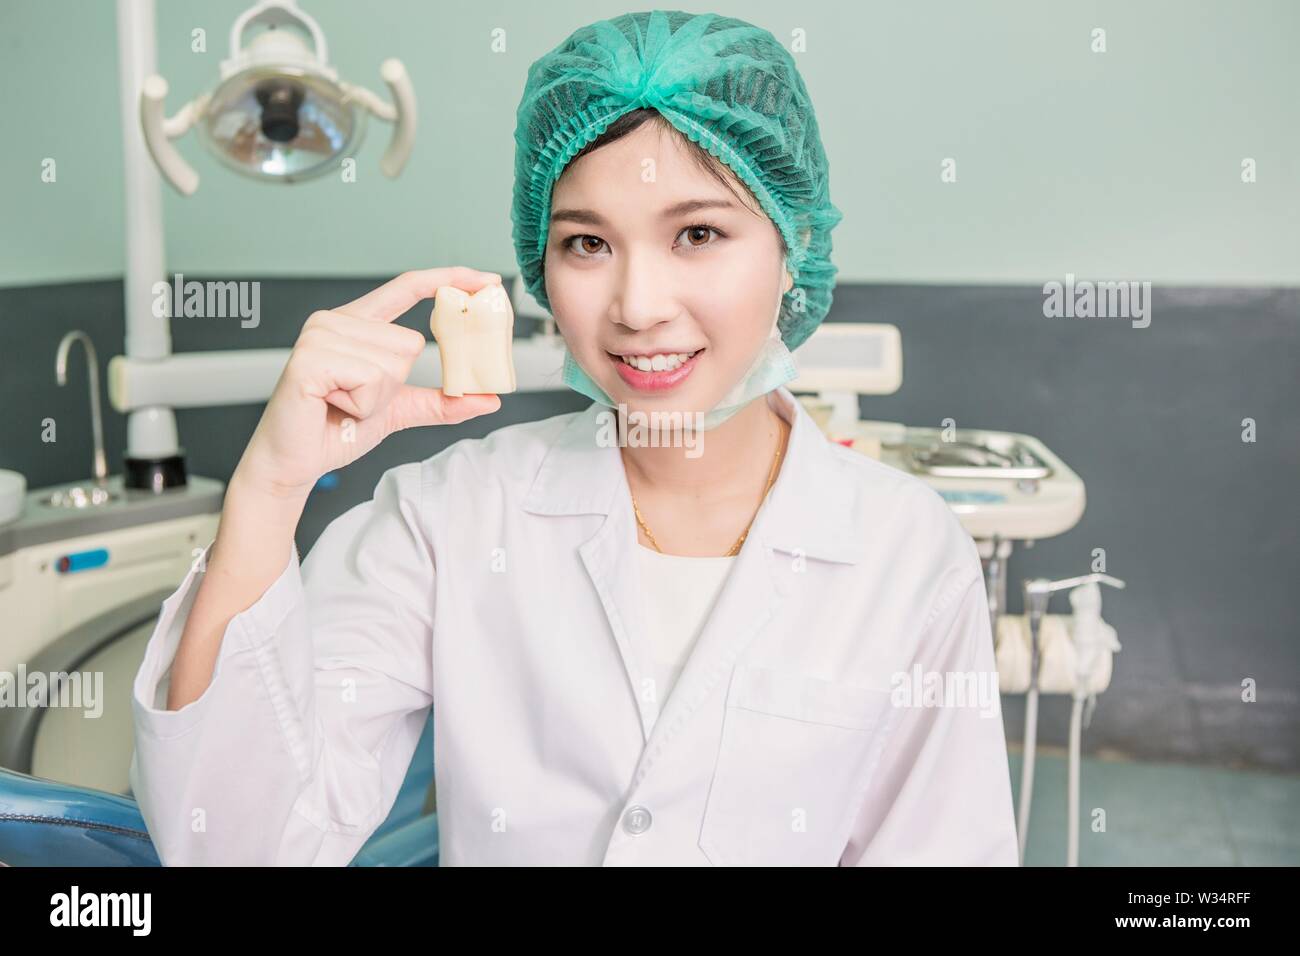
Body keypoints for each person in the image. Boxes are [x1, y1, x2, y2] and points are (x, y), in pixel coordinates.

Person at [129, 10, 1017, 866]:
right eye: (588, 244)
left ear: (793, 246)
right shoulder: (449, 519)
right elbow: (234, 845)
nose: (637, 306)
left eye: (698, 233)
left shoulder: (905, 552)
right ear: (541, 269)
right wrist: (267, 490)